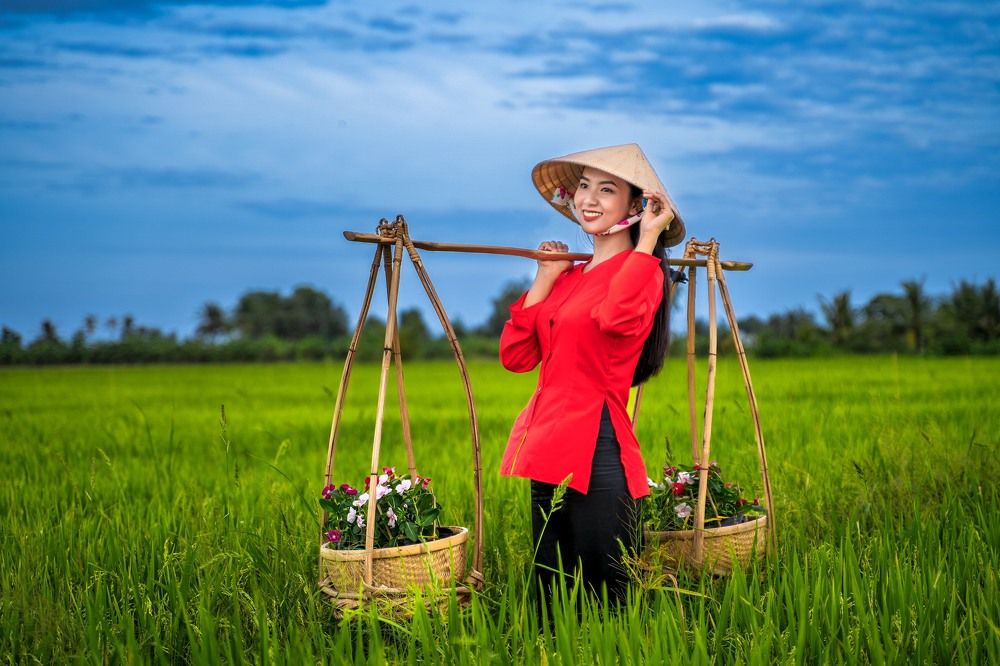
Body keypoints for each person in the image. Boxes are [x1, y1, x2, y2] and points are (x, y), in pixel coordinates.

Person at [498, 143, 686, 606]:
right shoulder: (569, 278)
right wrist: (545, 277)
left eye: (607, 189)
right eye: (583, 186)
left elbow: (618, 319)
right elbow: (516, 356)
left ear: (636, 206)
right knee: (550, 593)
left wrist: (646, 241)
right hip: (546, 442)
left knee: (609, 595)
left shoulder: (643, 271)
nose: (589, 199)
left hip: (597, 443)